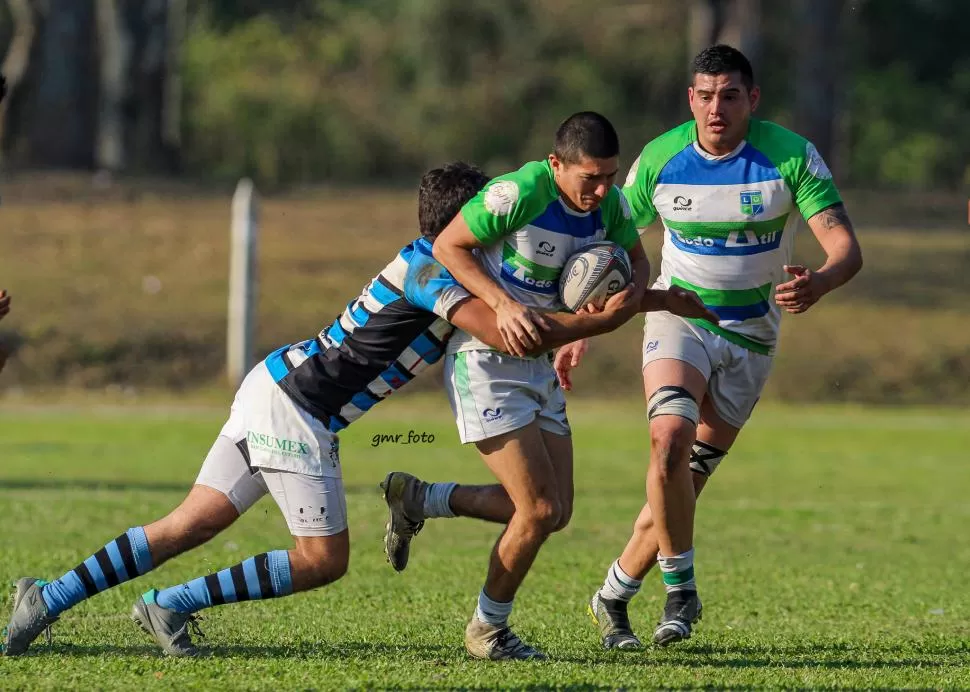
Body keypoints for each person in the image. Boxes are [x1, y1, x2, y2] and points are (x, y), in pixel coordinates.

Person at [2, 162, 647, 658]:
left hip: (278, 387)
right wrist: (605, 316)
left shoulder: (445, 266)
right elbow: (507, 333)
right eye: (487, 220)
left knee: (187, 524)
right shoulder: (432, 273)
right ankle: (167, 602)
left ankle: (54, 595)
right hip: (298, 409)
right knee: (322, 559)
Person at [555, 45, 863, 649]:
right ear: (689, 98)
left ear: (752, 99)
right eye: (703, 94)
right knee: (667, 441)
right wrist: (579, 324)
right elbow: (607, 242)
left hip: (752, 335)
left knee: (679, 487)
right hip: (680, 318)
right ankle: (682, 591)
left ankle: (613, 595)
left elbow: (845, 249)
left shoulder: (791, 155)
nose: (714, 107)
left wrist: (820, 281)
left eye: (728, 95)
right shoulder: (662, 160)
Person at [381, 111, 718, 662]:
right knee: (536, 510)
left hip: (537, 366)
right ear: (557, 164)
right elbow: (448, 247)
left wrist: (643, 295)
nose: (605, 189)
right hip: (486, 364)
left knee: (555, 511)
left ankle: (420, 498)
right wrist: (502, 303)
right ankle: (487, 631)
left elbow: (637, 262)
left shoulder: (607, 205)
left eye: (610, 175)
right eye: (591, 177)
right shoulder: (519, 193)